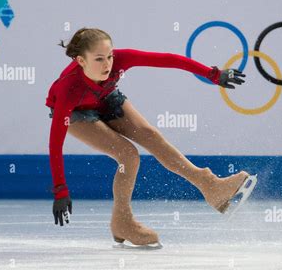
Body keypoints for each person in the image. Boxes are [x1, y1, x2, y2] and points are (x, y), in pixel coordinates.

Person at [46, 27, 249, 248]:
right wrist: (60, 189)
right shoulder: (68, 88)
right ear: (81, 61)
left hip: (105, 97)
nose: (107, 64)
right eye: (99, 59)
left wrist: (213, 74)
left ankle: (211, 187)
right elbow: (55, 143)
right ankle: (122, 221)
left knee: (151, 135)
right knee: (128, 155)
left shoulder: (121, 60)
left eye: (110, 56)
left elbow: (169, 60)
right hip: (77, 113)